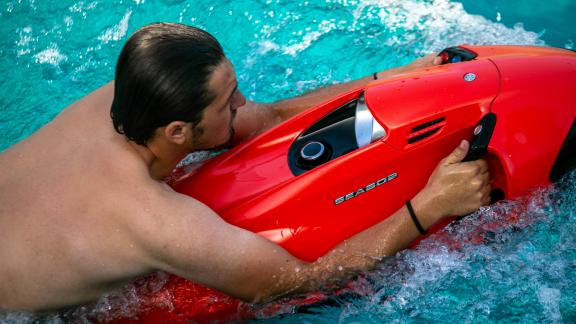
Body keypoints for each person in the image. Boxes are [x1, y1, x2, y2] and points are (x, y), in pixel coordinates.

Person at [0, 23, 490, 312]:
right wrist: (427, 206)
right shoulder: (155, 220)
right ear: (177, 132)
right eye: (228, 103)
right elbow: (300, 279)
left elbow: (270, 116)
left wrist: (394, 78)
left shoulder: (126, 95)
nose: (242, 102)